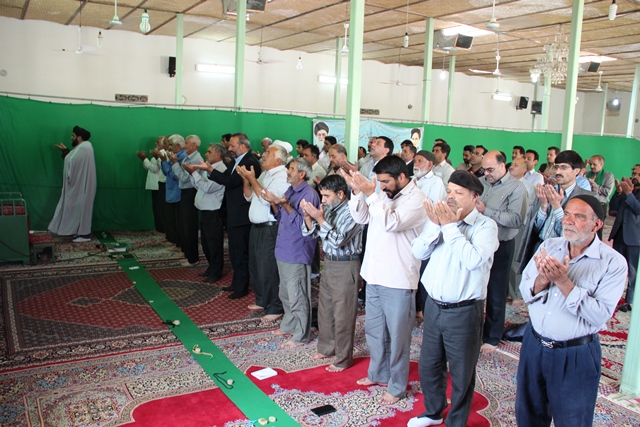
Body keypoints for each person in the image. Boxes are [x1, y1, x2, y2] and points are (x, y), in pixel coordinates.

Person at [516, 195, 627, 427]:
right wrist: (543, 279)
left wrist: (564, 282)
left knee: (572, 420)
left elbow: (599, 314)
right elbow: (525, 291)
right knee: (528, 415)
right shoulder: (549, 246)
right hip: (534, 345)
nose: (568, 221)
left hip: (575, 354)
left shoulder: (612, 262)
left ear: (597, 224)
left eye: (578, 216)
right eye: (567, 214)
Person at [409, 170, 499, 427]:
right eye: (449, 191)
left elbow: (472, 260)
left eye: (459, 193)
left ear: (474, 196)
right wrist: (435, 226)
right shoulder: (439, 220)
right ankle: (433, 412)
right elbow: (418, 251)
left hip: (463, 310)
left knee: (461, 373)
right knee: (429, 365)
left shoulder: (485, 226)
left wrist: (449, 227)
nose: (451, 197)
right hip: (434, 306)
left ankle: (456, 422)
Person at [345, 155, 427, 405]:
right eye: (379, 182)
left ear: (402, 177)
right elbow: (361, 218)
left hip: (398, 278)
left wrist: (372, 194)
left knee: (398, 337)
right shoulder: (383, 195)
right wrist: (357, 192)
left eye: (386, 182)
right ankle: (378, 373)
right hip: (374, 274)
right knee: (374, 330)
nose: (382, 186)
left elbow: (392, 222)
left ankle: (397, 385)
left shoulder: (417, 200)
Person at [301, 174, 364, 372]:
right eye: (322, 195)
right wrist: (308, 217)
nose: (323, 200)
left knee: (343, 314)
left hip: (346, 265)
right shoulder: (329, 210)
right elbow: (312, 234)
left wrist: (320, 219)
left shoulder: (353, 212)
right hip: (328, 263)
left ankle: (343, 359)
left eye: (327, 196)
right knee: (325, 309)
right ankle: (327, 348)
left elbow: (338, 240)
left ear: (341, 194)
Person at [262, 158, 320, 349]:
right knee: (285, 293)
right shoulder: (291, 190)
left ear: (302, 174)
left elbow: (305, 226)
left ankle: (301, 335)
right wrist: (274, 203)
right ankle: (289, 325)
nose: (288, 171)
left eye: (292, 169)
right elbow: (281, 216)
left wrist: (285, 204)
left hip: (297, 250)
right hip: (284, 248)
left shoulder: (309, 194)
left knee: (298, 295)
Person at [196, 133, 262, 299]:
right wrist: (210, 171)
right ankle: (236, 282)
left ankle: (242, 287)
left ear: (242, 146)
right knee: (234, 251)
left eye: (232, 145)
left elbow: (231, 182)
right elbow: (226, 178)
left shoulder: (250, 162)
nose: (229, 149)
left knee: (241, 252)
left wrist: (210, 170)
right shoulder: (235, 161)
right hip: (233, 212)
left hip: (242, 215)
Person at [477, 151, 528, 354]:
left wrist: (486, 211)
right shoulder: (481, 183)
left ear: (502, 166)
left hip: (501, 245)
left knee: (496, 291)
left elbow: (515, 220)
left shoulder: (516, 188)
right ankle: (475, 330)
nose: (486, 174)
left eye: (490, 170)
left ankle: (492, 336)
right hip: (478, 243)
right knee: (475, 288)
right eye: (484, 170)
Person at [236, 144, 289, 320]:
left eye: (268, 153)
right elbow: (249, 196)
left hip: (270, 228)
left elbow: (268, 199)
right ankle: (262, 299)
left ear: (278, 160)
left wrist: (252, 179)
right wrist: (246, 179)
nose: (264, 155)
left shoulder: (282, 176)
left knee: (268, 268)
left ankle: (274, 307)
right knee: (256, 265)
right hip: (257, 227)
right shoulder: (266, 174)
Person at [183, 143, 226, 282]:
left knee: (214, 244)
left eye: (209, 152)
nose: (206, 154)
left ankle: (216, 271)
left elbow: (208, 188)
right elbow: (199, 185)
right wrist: (193, 174)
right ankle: (211, 267)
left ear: (218, 154)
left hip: (213, 212)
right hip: (204, 210)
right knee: (206, 243)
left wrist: (193, 173)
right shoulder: (208, 167)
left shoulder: (221, 170)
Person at [49, 125, 97, 243]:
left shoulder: (85, 147)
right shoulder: (83, 147)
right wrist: (65, 151)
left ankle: (84, 234)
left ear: (79, 137)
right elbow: (73, 160)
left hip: (84, 186)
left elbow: (71, 161)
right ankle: (80, 232)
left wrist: (65, 152)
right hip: (82, 185)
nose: (71, 138)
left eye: (73, 136)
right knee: (79, 209)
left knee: (83, 209)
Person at [169, 135, 204, 266]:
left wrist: (174, 163)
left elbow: (184, 178)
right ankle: (187, 254)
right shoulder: (187, 157)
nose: (185, 145)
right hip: (185, 193)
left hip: (191, 192)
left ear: (194, 145)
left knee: (189, 226)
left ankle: (193, 258)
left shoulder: (196, 159)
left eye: (187, 143)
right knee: (184, 225)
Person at [609, 164, 640, 312]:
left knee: (633, 272)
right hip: (620, 235)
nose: (635, 176)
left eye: (638, 174)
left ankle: (630, 302)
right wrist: (618, 192)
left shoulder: (631, 192)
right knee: (615, 268)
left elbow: (638, 209)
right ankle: (611, 297)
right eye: (634, 173)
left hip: (635, 238)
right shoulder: (629, 190)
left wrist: (629, 194)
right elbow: (613, 209)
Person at [136, 136, 166, 233]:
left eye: (158, 142)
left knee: (160, 208)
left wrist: (145, 158)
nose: (155, 143)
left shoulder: (163, 154)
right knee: (156, 208)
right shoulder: (158, 154)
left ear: (163, 144)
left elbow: (155, 169)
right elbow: (150, 168)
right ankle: (159, 228)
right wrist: (144, 159)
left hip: (159, 185)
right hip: (155, 185)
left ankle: (162, 228)